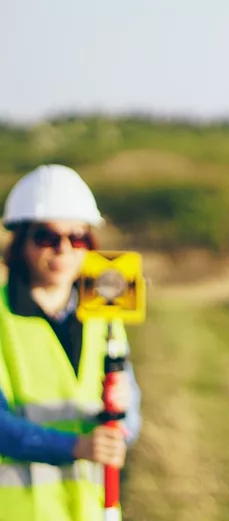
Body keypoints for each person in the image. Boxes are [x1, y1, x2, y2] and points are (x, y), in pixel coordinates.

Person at [0, 164, 142, 520]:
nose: (63, 250)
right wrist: (76, 446)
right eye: (46, 237)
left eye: (77, 238)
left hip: (92, 509)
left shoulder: (106, 318)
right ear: (20, 243)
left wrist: (124, 420)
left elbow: (131, 417)